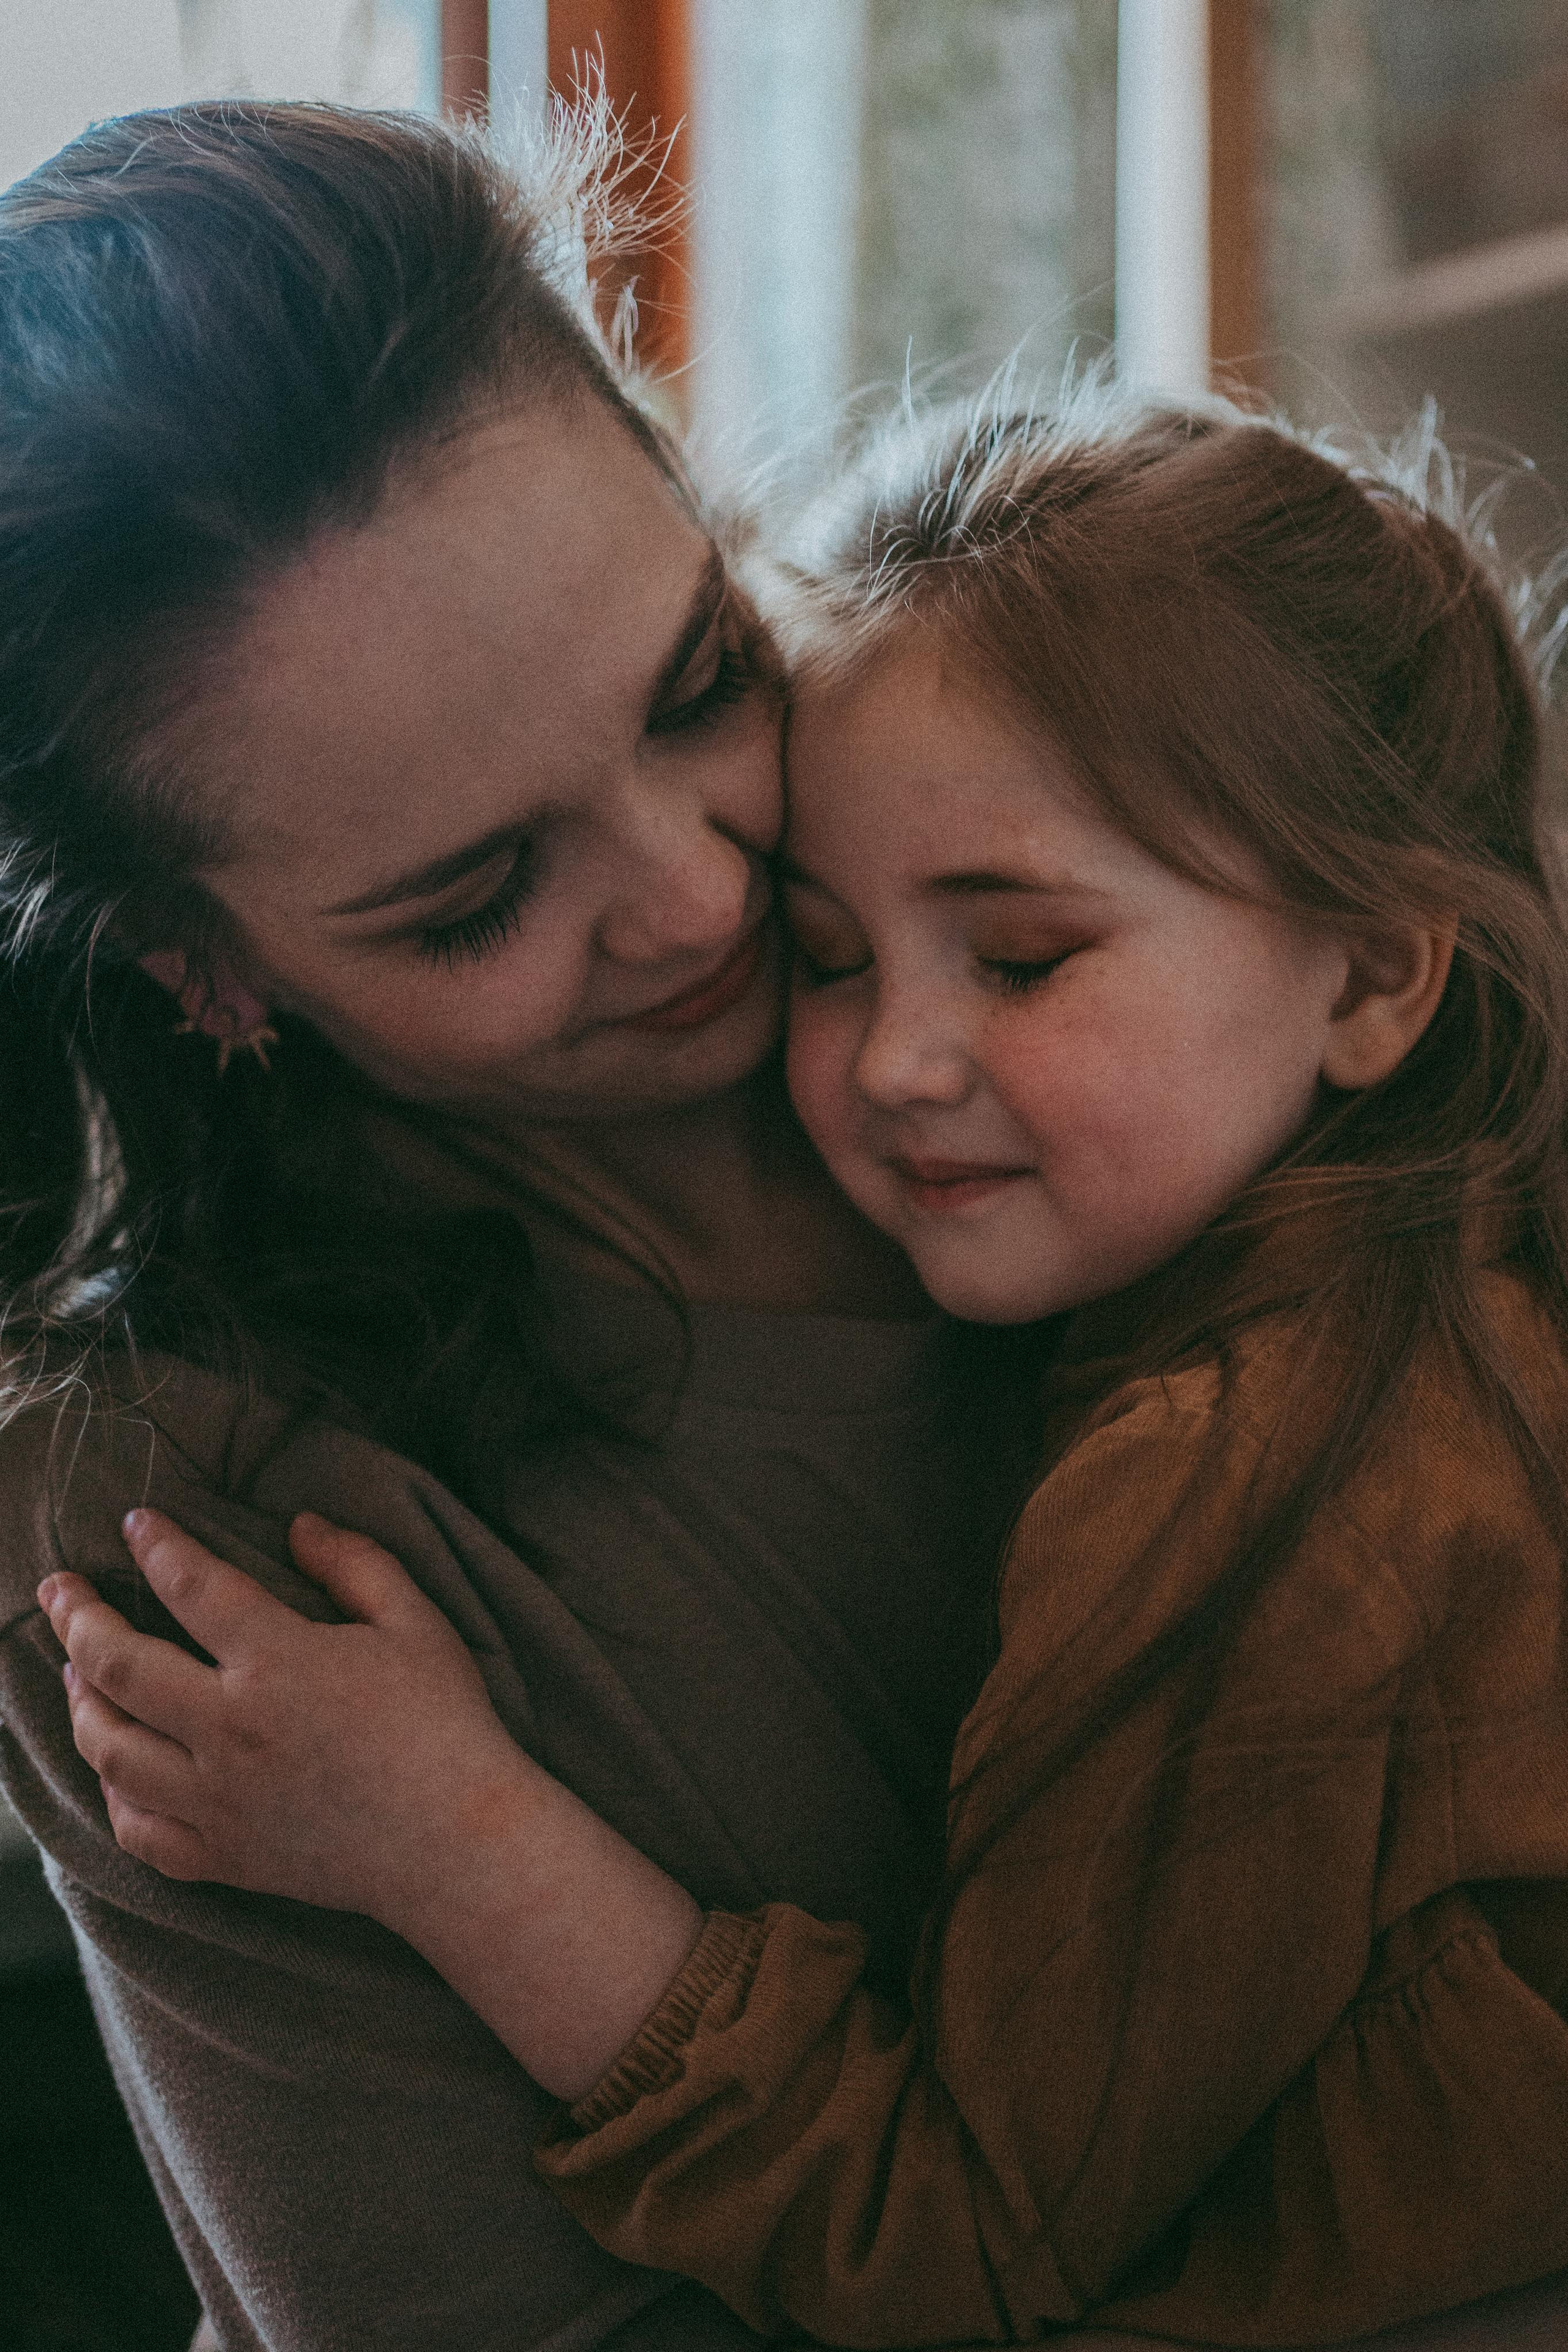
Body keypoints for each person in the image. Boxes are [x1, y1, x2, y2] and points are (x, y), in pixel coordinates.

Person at [45, 391, 1568, 2347]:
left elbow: (956, 2255)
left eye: (697, 689)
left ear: (1372, 975)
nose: (880, 1058)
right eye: (833, 953)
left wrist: (458, 1840)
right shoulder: (1402, 1275)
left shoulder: (1251, 1473)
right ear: (199, 967)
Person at [0, 102, 1050, 2351]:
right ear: (202, 969)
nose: (697, 900)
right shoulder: (179, 1534)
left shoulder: (1109, 920)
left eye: (697, 680)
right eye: (475, 897)